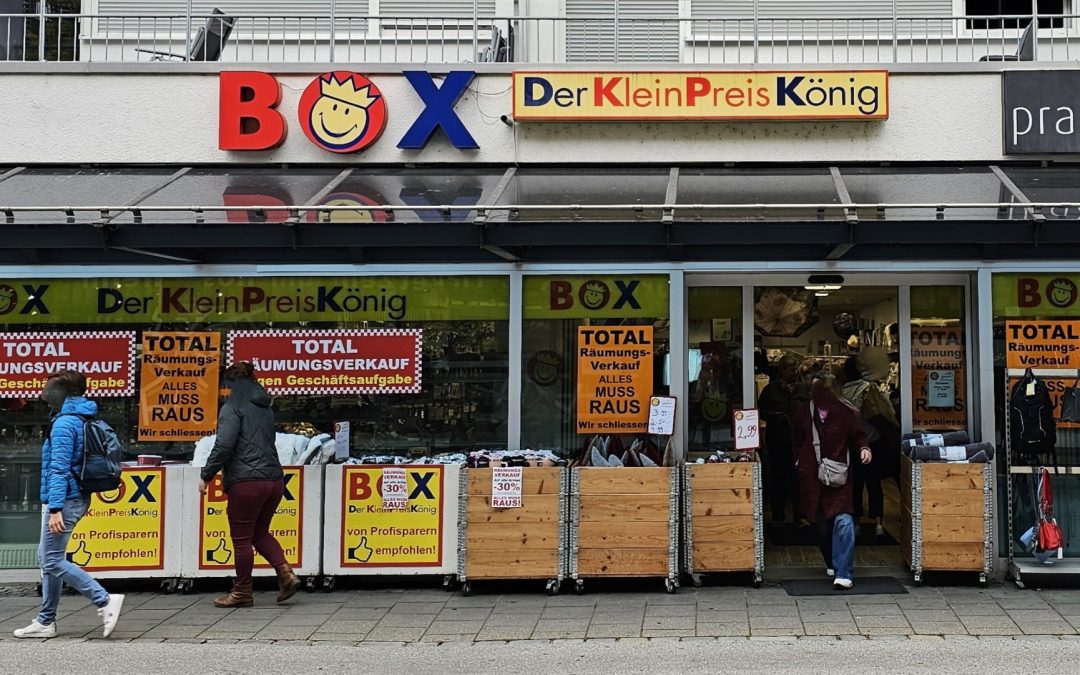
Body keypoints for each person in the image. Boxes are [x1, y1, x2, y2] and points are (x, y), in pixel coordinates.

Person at [14, 370, 124, 639]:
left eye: (50, 389)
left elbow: (59, 469)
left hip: (65, 500)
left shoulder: (64, 424)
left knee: (49, 559)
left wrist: (54, 509)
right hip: (74, 497)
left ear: (64, 393)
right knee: (52, 560)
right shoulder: (81, 417)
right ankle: (45, 621)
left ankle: (104, 600)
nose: (44, 393)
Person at [199, 362, 299, 608]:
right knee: (259, 532)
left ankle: (242, 591)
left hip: (247, 483)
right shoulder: (264, 407)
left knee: (242, 539)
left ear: (231, 384)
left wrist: (207, 474)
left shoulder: (233, 407)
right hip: (274, 480)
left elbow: (224, 445)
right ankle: (286, 573)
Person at [793, 374, 872, 590]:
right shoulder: (804, 411)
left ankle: (844, 572)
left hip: (839, 475)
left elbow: (857, 436)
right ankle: (831, 561)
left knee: (844, 521)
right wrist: (799, 460)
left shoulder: (846, 412)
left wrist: (864, 448)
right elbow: (797, 440)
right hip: (813, 478)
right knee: (822, 528)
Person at [841, 348, 899, 537]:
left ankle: (856, 521)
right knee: (873, 483)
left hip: (851, 443)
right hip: (872, 441)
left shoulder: (842, 391)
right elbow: (883, 413)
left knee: (855, 484)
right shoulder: (868, 388)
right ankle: (878, 522)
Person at [758, 354, 809, 526]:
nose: (794, 372)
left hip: (799, 441)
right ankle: (778, 514)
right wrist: (775, 417)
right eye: (791, 369)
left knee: (799, 478)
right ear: (782, 370)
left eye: (796, 369)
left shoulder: (803, 389)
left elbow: (811, 411)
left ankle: (800, 515)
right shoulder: (770, 390)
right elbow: (761, 411)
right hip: (777, 439)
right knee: (778, 478)